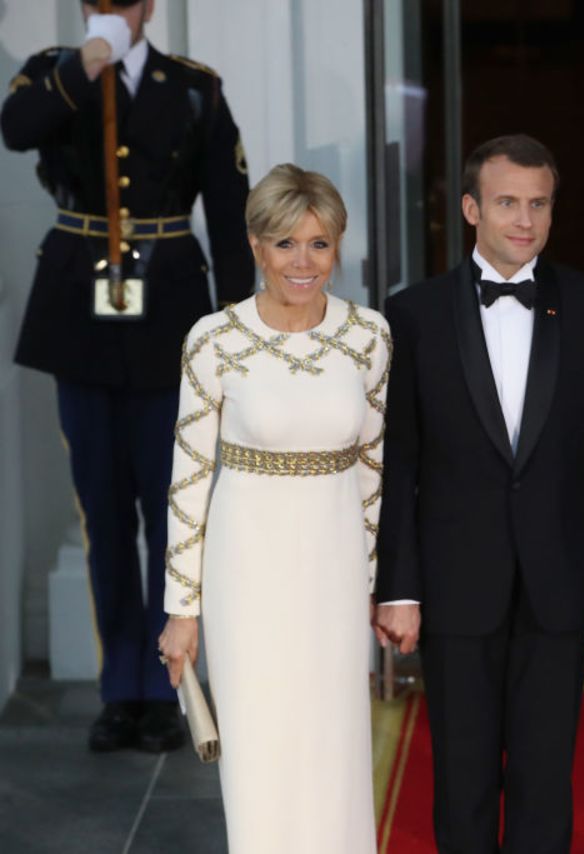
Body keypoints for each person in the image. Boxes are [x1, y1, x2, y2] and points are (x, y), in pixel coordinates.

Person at [0, 0, 253, 752]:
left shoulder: (195, 87)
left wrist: (239, 326)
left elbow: (230, 202)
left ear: (149, 6)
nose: (111, 10)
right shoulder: (53, 74)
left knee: (168, 511)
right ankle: (121, 690)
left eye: (123, 1)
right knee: (103, 513)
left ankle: (166, 681)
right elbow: (15, 132)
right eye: (98, 1)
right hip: (80, 314)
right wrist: (88, 62)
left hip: (169, 312)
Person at [374, 134, 584, 853]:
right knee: (462, 780)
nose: (525, 219)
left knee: (547, 782)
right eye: (508, 202)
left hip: (562, 582)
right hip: (456, 585)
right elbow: (401, 461)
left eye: (539, 203)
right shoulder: (413, 315)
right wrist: (400, 586)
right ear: (470, 209)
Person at [156, 164, 388, 854]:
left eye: (319, 244)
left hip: (337, 571)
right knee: (259, 752)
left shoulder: (369, 335)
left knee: (336, 748)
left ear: (338, 246)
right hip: (245, 573)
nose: (303, 262)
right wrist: (182, 608)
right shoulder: (214, 339)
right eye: (285, 244)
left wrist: (377, 586)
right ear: (256, 246)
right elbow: (189, 478)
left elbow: (374, 471)